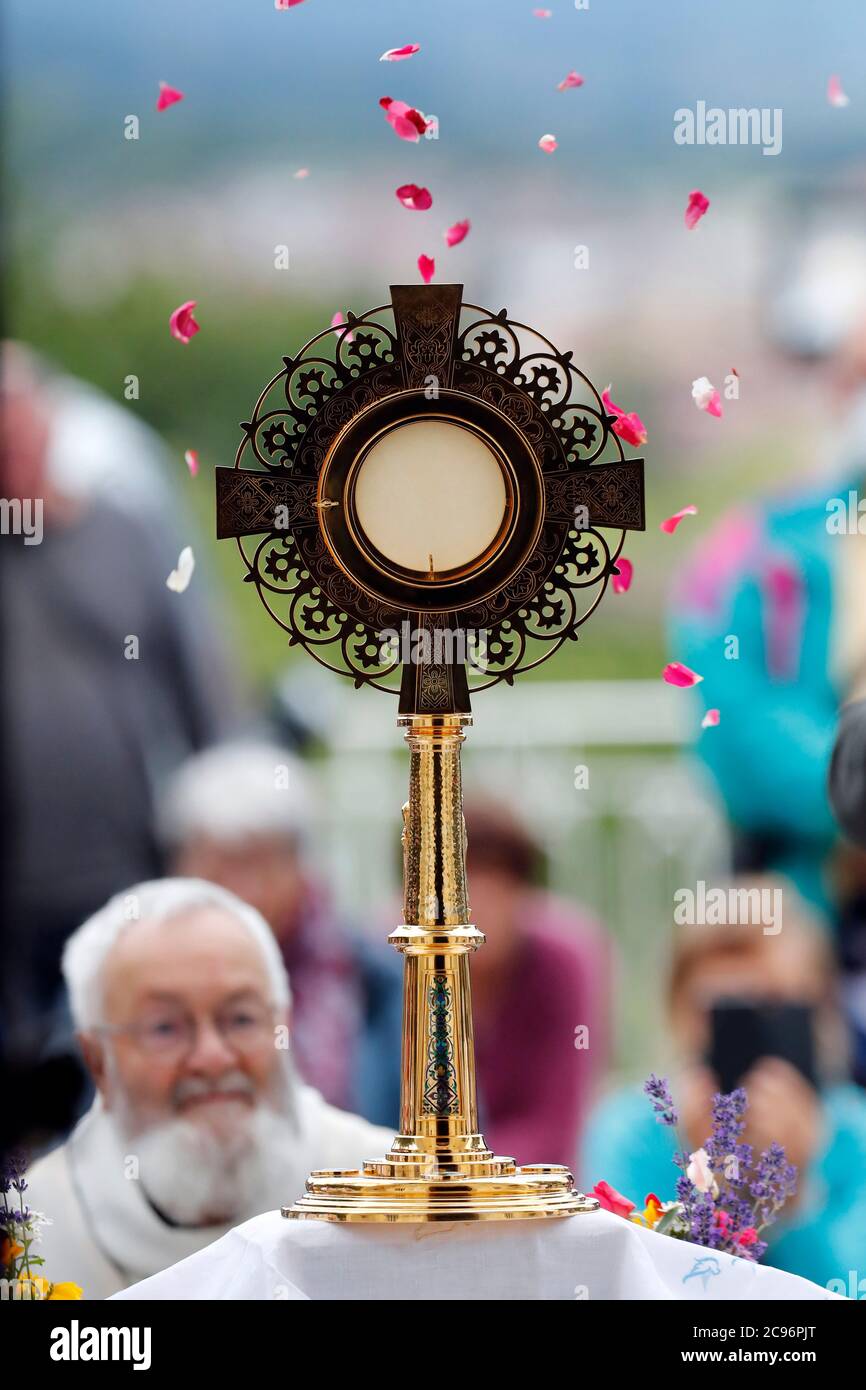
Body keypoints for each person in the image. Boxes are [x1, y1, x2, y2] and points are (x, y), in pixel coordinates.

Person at [0, 344, 240, 1080]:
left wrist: (220, 821)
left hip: (121, 864)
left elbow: (201, 680)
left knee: (126, 1060)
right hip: (13, 886)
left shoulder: (125, 533)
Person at [24, 879, 393, 1299]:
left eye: (241, 1019)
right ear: (98, 1061)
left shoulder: (386, 1191)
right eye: (165, 1028)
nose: (213, 1057)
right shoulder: (36, 1230)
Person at [582, 881, 866, 1287]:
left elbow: (849, 1286)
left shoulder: (853, 1134)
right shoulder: (630, 1131)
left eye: (770, 1005)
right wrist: (703, 1189)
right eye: (721, 1012)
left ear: (818, 1010)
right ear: (676, 1009)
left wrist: (795, 1195)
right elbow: (627, 1284)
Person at [159, 742, 402, 1127]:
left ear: (301, 868)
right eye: (220, 866)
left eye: (260, 864)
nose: (243, 891)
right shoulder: (128, 982)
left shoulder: (380, 984)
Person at [465, 799, 610, 1168]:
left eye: (492, 894)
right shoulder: (387, 965)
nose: (474, 913)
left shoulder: (565, 962)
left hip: (527, 1194)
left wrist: (456, 1171)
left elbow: (557, 1123)